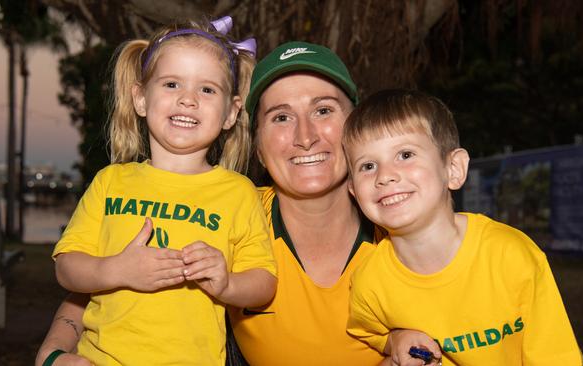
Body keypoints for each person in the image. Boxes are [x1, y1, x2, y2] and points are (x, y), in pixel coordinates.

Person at [36, 42, 434, 366]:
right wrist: (52, 354)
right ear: (257, 145)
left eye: (324, 110)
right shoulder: (235, 207)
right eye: (281, 117)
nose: (306, 136)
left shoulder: (401, 229)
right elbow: (90, 294)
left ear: (356, 125)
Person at [41, 16, 277, 366]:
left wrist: (226, 283)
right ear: (140, 98)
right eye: (171, 84)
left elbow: (263, 284)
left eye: (207, 89)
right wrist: (117, 270)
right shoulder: (110, 182)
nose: (188, 100)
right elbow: (66, 267)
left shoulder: (238, 192)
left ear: (231, 112)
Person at [343, 89, 583, 365]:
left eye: (405, 154)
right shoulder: (369, 283)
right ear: (353, 191)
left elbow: (555, 357)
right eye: (368, 165)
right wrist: (395, 339)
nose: (384, 176)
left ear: (453, 168)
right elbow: (368, 331)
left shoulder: (511, 256)